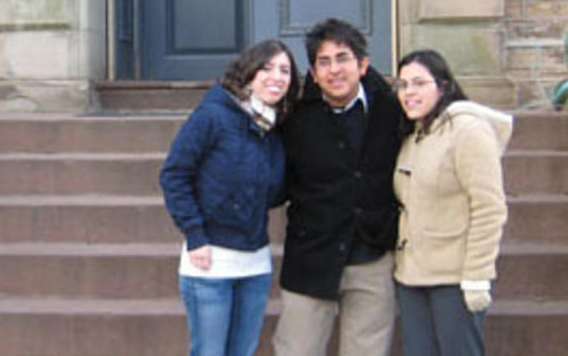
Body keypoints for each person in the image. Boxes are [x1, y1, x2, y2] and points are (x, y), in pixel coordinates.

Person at [272, 18, 406, 356]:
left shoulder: (392, 109)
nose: (334, 70)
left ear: (362, 65)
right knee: (296, 349)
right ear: (314, 74)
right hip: (311, 256)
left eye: (342, 58)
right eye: (324, 61)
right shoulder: (295, 118)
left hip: (372, 255)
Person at [159, 39, 298, 356]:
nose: (276, 76)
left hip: (255, 263)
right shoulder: (213, 115)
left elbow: (273, 192)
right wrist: (195, 234)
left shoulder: (274, 128)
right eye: (267, 68)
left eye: (285, 70)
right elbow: (174, 174)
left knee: (243, 351)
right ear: (248, 72)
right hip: (210, 263)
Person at [392, 49, 512, 356]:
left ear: (443, 86)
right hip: (411, 277)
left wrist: (477, 275)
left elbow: (489, 207)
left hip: (455, 279)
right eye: (403, 85)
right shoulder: (414, 135)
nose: (409, 92)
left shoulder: (469, 131)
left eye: (419, 83)